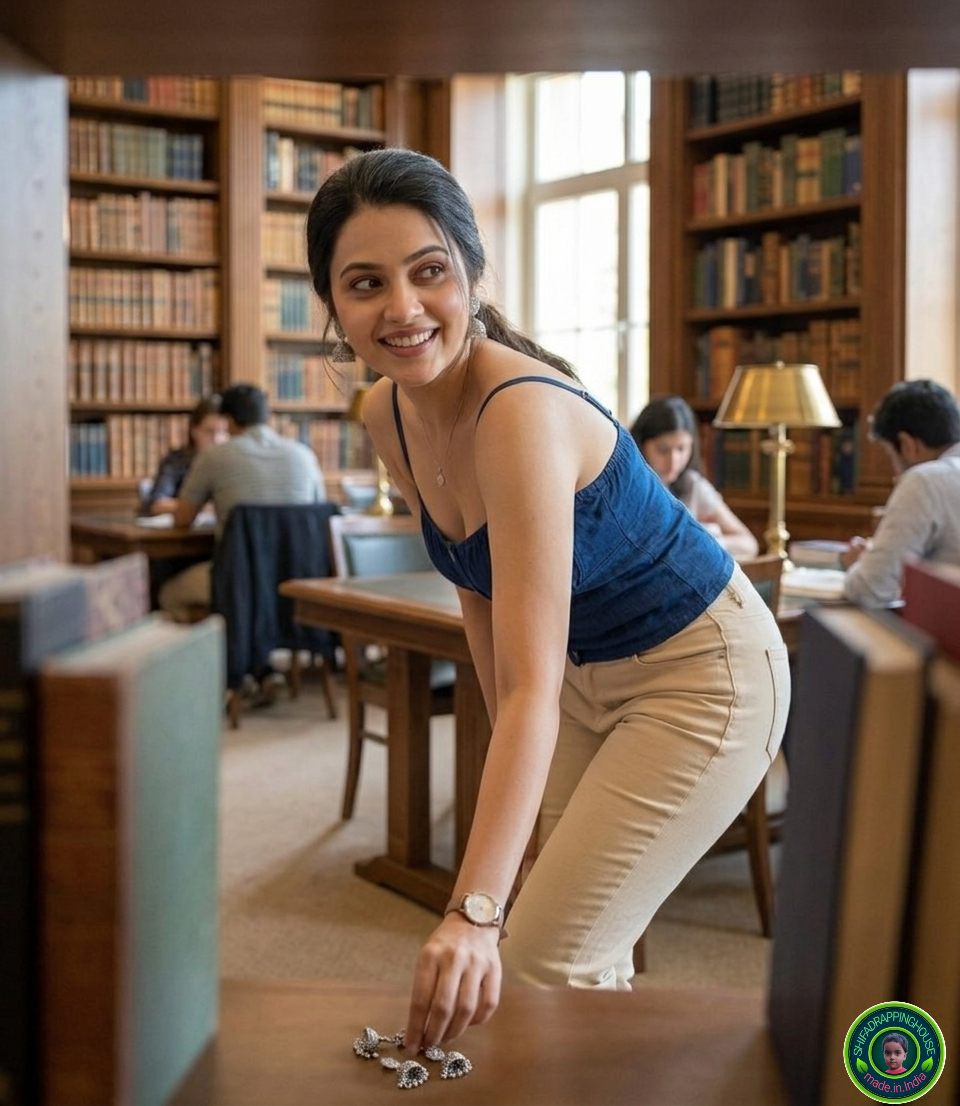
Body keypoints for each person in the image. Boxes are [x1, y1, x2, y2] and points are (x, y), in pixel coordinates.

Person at [306, 148, 790, 1053]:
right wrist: (511, 824)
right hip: (579, 679)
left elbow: (529, 685)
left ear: (474, 274)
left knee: (534, 958)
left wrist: (471, 910)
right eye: (366, 283)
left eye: (429, 271)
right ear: (332, 304)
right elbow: (481, 606)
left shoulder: (520, 410)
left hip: (703, 676)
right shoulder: (385, 414)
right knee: (573, 945)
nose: (402, 308)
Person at [158, 383, 327, 618]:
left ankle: (228, 637)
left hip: (239, 582)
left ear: (228, 420)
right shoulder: (305, 456)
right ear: (267, 417)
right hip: (298, 580)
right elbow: (319, 516)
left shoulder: (214, 457)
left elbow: (182, 520)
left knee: (168, 595)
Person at [841, 379, 960, 605]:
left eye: (890, 455)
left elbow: (870, 590)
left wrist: (860, 564)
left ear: (907, 445)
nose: (894, 473)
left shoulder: (925, 480)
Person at [630, 396, 759, 558]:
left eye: (681, 449)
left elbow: (749, 545)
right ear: (640, 445)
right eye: (663, 450)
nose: (673, 461)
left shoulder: (692, 485)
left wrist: (706, 541)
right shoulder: (627, 489)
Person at [141, 394, 228, 515]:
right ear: (194, 431)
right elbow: (158, 503)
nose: (217, 439)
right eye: (209, 432)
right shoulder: (176, 461)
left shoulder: (236, 461)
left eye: (223, 432)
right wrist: (203, 508)